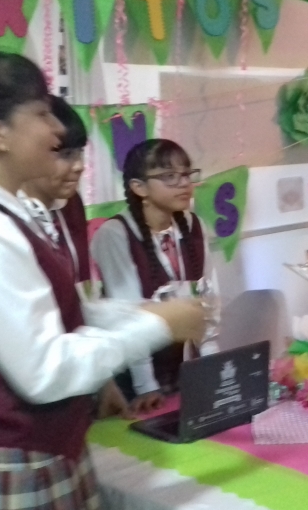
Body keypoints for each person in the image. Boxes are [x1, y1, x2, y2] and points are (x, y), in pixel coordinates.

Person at [0, 52, 206, 510]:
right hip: (11, 464)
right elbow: (45, 372)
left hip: (30, 452)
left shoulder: (1, 212)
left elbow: (53, 312)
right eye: (42, 113)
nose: (57, 130)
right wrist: (155, 326)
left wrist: (145, 314)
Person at [18, 95, 133, 420]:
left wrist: (103, 381)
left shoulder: (69, 205)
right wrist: (157, 324)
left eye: (80, 152)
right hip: (30, 395)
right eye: (65, 154)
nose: (80, 165)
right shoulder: (4, 220)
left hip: (77, 375)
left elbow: (80, 296)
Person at [91, 139, 219, 413]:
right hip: (134, 384)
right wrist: (145, 386)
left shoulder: (194, 225)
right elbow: (131, 317)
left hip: (182, 375)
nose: (184, 184)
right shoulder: (115, 234)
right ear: (139, 187)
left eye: (186, 174)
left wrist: (212, 368)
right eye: (169, 176)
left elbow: (207, 304)